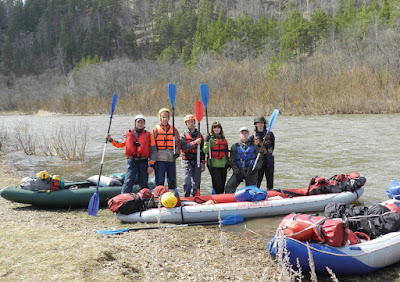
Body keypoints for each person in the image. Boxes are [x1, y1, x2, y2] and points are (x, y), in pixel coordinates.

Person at [106, 114, 157, 194]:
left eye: (142, 122)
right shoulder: (128, 134)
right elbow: (119, 144)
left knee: (144, 183)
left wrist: (151, 165)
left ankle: (144, 201)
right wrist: (110, 139)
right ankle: (124, 200)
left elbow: (154, 150)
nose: (140, 124)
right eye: (138, 122)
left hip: (143, 162)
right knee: (128, 182)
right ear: (135, 123)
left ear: (144, 124)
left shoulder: (149, 135)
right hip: (131, 162)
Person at [225, 127, 262, 193]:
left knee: (251, 190)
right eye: (242, 133)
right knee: (229, 187)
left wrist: (256, 169)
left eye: (245, 133)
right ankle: (230, 200)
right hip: (239, 171)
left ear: (248, 134)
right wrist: (237, 172)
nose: (244, 135)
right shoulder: (235, 146)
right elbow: (232, 161)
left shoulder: (254, 146)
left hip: (251, 171)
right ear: (239, 134)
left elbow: (260, 159)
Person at [152, 108, 180, 191]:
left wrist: (177, 153)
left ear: (169, 118)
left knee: (172, 179)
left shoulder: (174, 130)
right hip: (159, 158)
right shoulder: (155, 130)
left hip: (171, 158)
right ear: (160, 118)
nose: (165, 119)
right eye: (163, 117)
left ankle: (172, 194)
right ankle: (159, 194)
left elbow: (178, 143)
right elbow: (152, 146)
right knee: (160, 179)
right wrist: (152, 161)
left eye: (166, 117)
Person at [180, 114, 205, 197]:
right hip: (186, 161)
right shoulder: (183, 135)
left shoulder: (200, 135)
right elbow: (184, 148)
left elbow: (203, 151)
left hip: (197, 161)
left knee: (196, 183)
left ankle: (196, 197)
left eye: (191, 122)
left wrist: (203, 163)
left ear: (194, 122)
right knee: (187, 182)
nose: (190, 123)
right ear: (186, 124)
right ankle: (186, 197)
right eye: (188, 122)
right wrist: (195, 142)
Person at [249, 116, 275, 190]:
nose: (260, 124)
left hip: (269, 161)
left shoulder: (270, 135)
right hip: (258, 162)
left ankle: (270, 194)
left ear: (264, 124)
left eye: (262, 123)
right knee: (257, 182)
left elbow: (273, 147)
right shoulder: (252, 137)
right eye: (258, 123)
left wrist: (266, 149)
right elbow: (250, 150)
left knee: (270, 183)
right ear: (256, 124)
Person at [203, 121, 229, 194]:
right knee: (218, 185)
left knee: (222, 185)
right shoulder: (210, 139)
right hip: (214, 165)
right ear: (212, 129)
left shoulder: (223, 139)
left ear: (220, 129)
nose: (217, 129)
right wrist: (207, 142)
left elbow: (226, 153)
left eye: (218, 127)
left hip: (223, 165)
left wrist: (228, 162)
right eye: (215, 127)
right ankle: (217, 198)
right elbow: (205, 151)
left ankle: (221, 198)